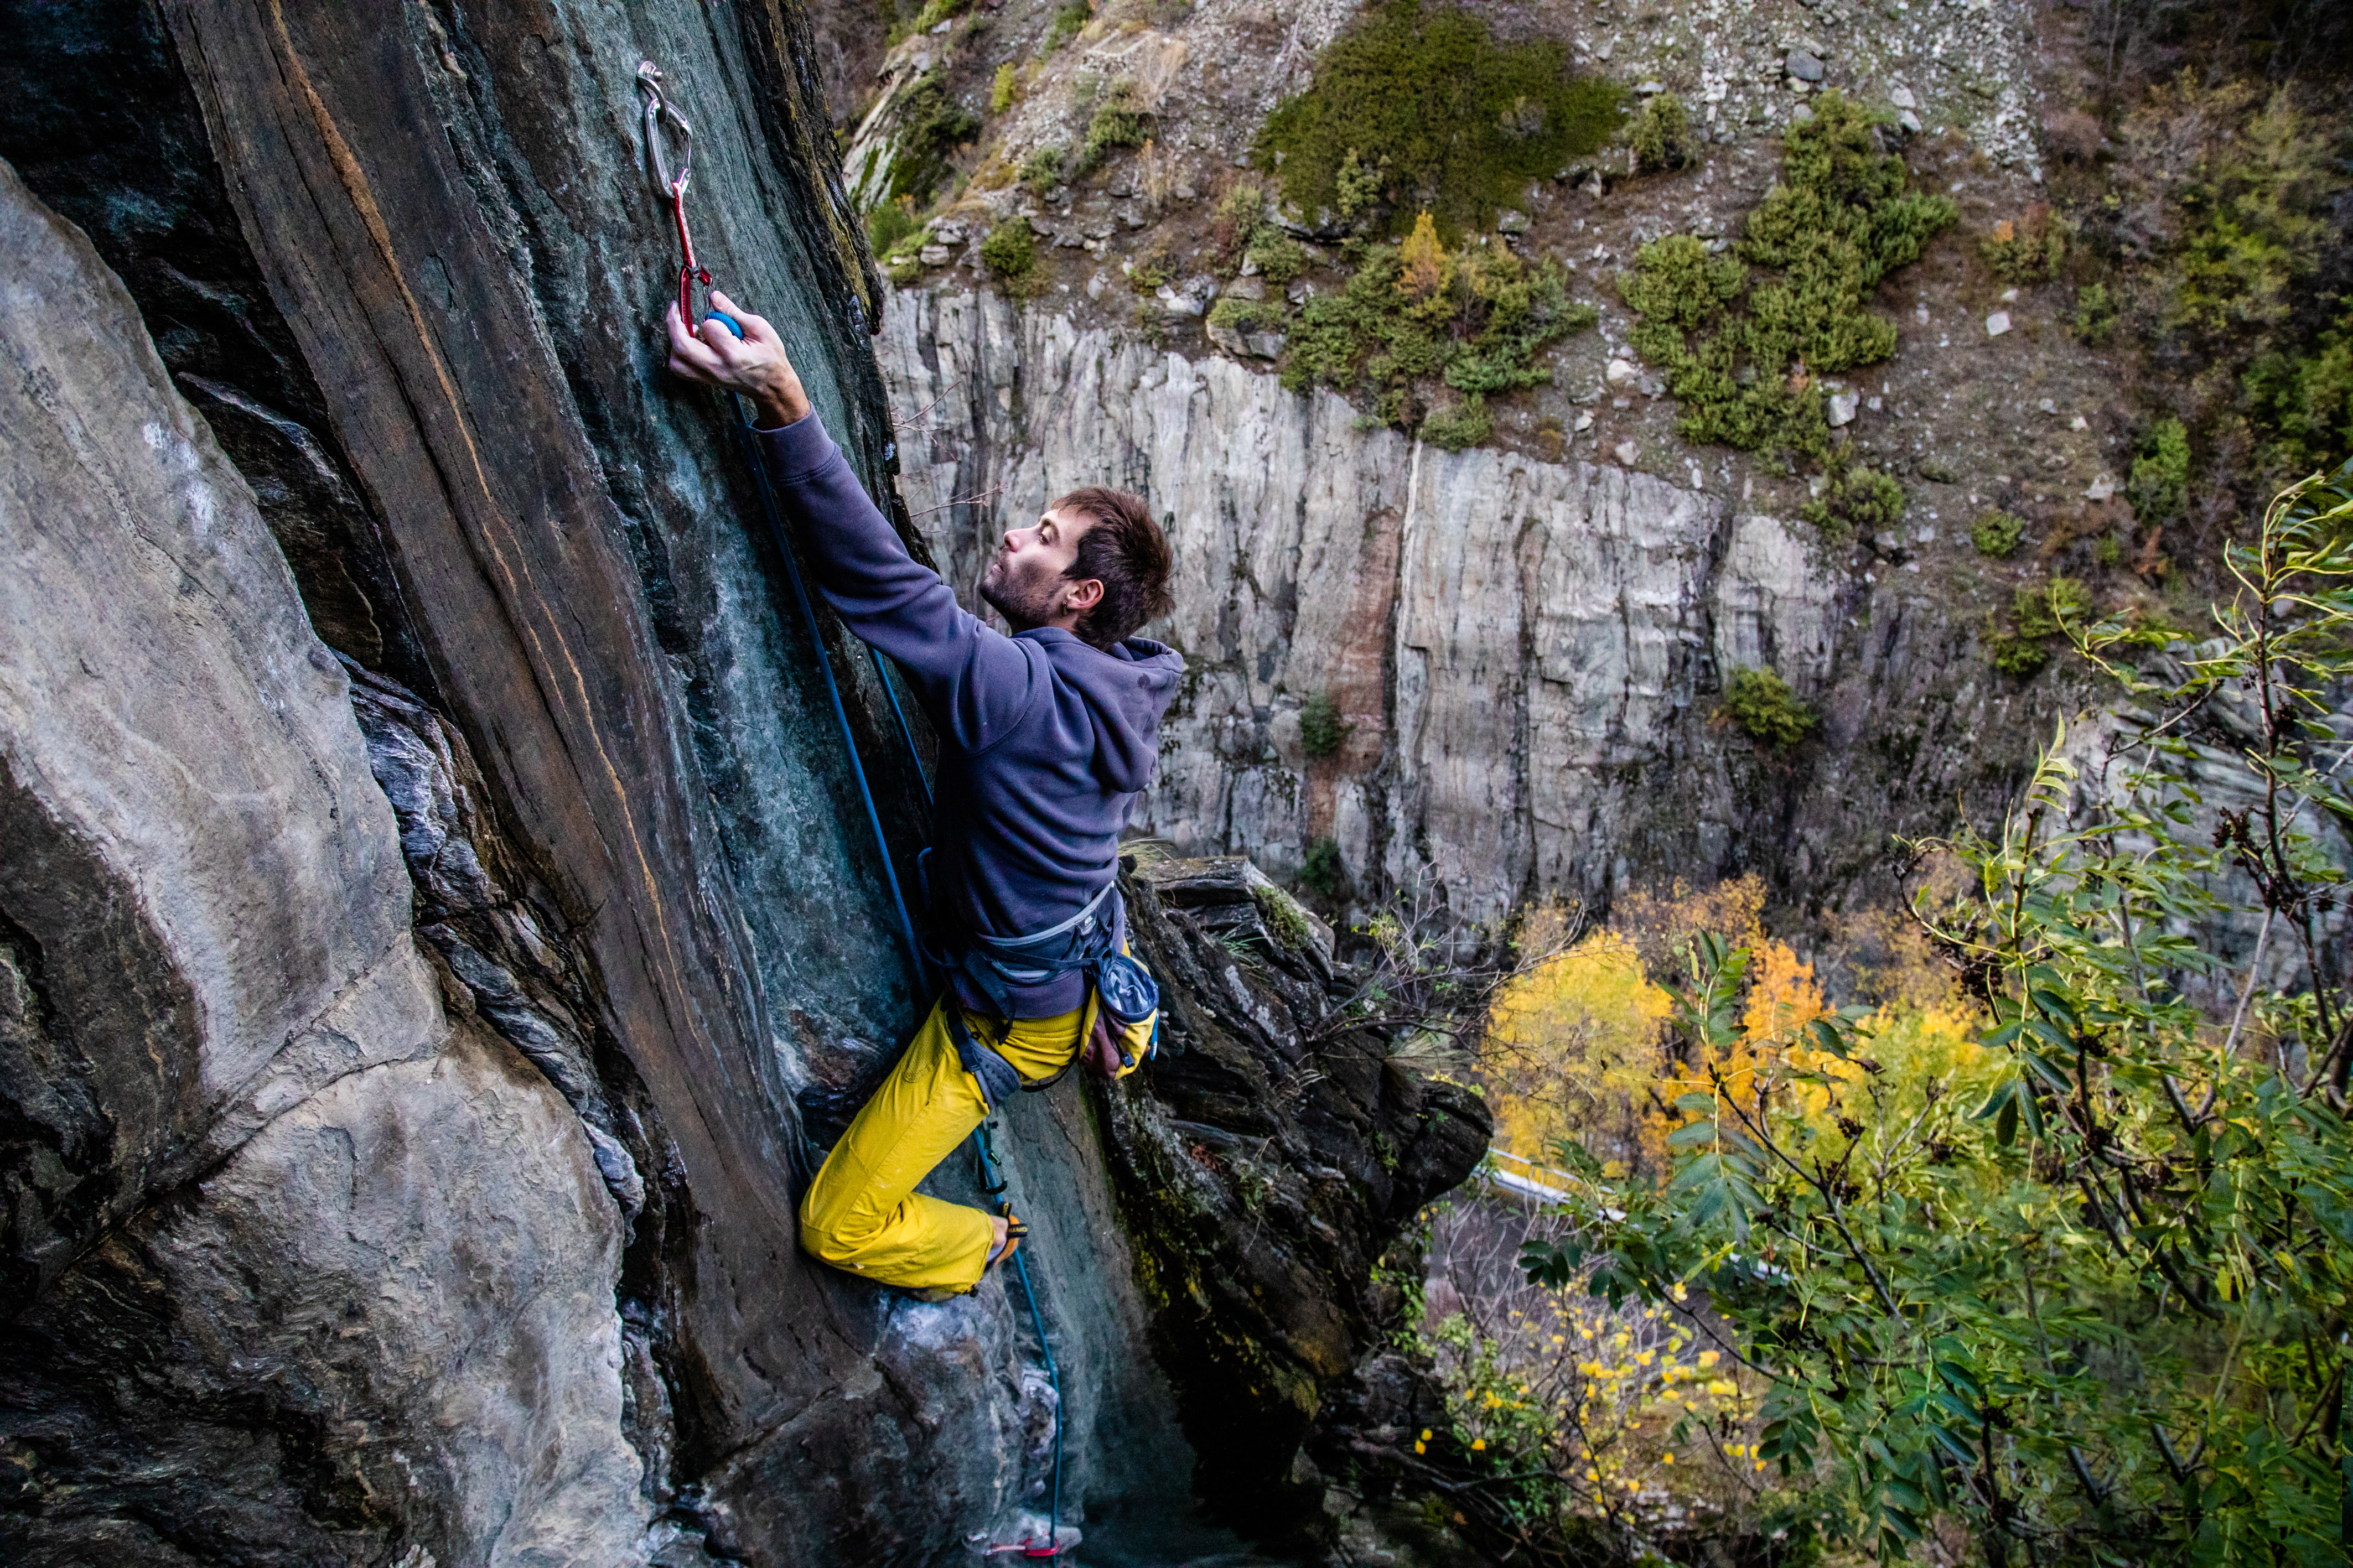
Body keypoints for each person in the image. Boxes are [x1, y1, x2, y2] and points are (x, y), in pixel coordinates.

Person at [665, 292, 1182, 1296]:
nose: (1013, 538)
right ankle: (1121, 1023)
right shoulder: (1130, 680)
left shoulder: (1027, 695)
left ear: (1080, 597)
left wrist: (784, 399)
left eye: (1042, 537)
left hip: (1007, 1020)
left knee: (839, 1224)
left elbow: (889, 592)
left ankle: (974, 1246)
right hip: (1083, 939)